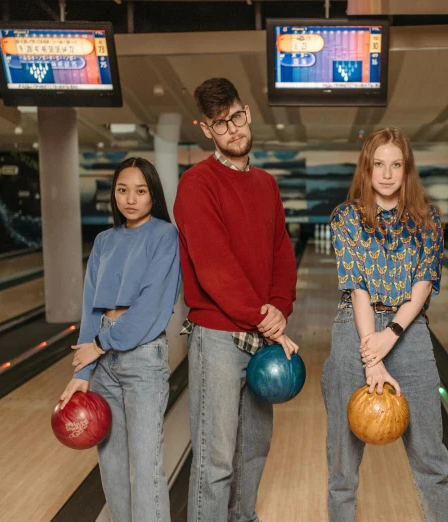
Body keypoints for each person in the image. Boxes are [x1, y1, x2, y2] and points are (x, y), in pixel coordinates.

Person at [173, 77, 298, 522]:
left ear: (248, 111)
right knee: (216, 461)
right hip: (218, 338)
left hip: (262, 337)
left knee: (253, 453)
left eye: (237, 117)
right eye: (220, 124)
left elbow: (282, 249)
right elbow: (214, 266)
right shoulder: (196, 183)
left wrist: (280, 305)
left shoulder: (266, 184)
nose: (233, 130)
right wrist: (262, 317)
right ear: (205, 129)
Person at [322, 127, 448, 522]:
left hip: (409, 329)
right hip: (355, 328)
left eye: (395, 165)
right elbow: (357, 285)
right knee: (342, 467)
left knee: (432, 459)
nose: (386, 173)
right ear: (367, 168)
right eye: (378, 164)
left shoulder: (429, 219)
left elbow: (424, 282)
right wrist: (372, 355)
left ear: (406, 169)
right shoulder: (345, 217)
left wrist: (392, 334)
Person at [59, 157, 181, 522]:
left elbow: (148, 307)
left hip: (143, 355)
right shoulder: (104, 241)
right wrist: (84, 369)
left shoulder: (165, 235)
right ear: (113, 195)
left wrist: (100, 344)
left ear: (152, 195)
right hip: (103, 358)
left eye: (140, 191)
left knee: (145, 468)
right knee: (111, 464)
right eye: (122, 190)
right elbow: (90, 308)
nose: (130, 199)